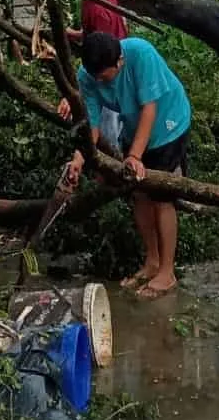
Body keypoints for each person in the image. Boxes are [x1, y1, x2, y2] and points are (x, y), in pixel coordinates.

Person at [61, 31, 191, 299]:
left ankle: (167, 272)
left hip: (169, 123)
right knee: (139, 193)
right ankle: (152, 261)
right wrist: (78, 159)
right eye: (97, 77)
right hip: (135, 128)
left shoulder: (141, 54)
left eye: (106, 77)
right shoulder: (88, 76)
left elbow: (150, 108)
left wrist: (134, 156)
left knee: (162, 198)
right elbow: (92, 125)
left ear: (119, 61)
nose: (102, 82)